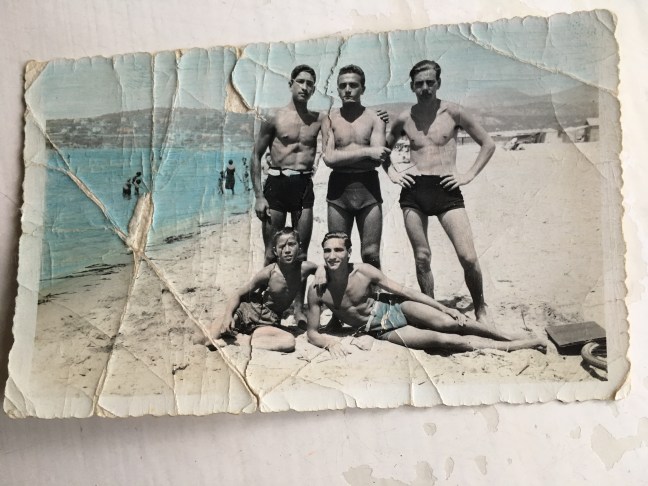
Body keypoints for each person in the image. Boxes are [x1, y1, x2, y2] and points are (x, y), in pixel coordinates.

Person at [306, 232, 545, 358]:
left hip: (394, 306)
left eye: (338, 250)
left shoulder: (364, 271)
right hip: (380, 328)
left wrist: (444, 307)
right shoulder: (318, 289)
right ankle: (515, 347)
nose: (332, 256)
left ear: (348, 252)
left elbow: (405, 291)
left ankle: (506, 336)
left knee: (449, 323)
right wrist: (328, 343)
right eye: (327, 251)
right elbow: (312, 332)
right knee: (443, 340)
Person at [386, 60, 496, 323]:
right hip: (414, 190)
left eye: (430, 82)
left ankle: (480, 307)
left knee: (468, 256)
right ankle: (432, 308)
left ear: (438, 83)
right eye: (419, 83)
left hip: (446, 189)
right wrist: (393, 173)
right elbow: (384, 151)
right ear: (412, 86)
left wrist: (468, 175)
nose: (425, 88)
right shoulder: (404, 118)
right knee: (422, 257)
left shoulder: (454, 112)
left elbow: (488, 144)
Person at [252, 65, 325, 265]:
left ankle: (298, 288)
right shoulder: (274, 117)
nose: (304, 87)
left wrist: (380, 115)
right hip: (277, 184)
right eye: (300, 82)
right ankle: (270, 286)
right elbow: (256, 155)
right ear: (290, 84)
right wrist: (259, 197)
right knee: (271, 253)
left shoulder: (318, 120)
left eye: (309, 84)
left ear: (314, 89)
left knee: (300, 254)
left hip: (303, 186)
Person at [322, 65, 390, 270]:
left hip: (367, 187)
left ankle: (374, 290)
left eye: (353, 85)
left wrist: (343, 157)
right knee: (337, 250)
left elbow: (378, 158)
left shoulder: (375, 118)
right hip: (339, 189)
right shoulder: (329, 119)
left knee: (371, 253)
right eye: (343, 86)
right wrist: (366, 151)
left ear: (363, 88)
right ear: (337, 89)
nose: (348, 90)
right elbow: (329, 158)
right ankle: (342, 291)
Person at [210, 228, 322, 352]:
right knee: (210, 337)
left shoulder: (304, 268)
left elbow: (321, 269)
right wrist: (228, 316)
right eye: (282, 246)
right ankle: (236, 337)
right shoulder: (269, 272)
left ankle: (240, 340)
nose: (287, 250)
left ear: (299, 247)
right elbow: (238, 294)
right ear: (275, 251)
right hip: (249, 311)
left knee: (288, 342)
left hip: (270, 320)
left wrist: (320, 274)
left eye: (291, 244)